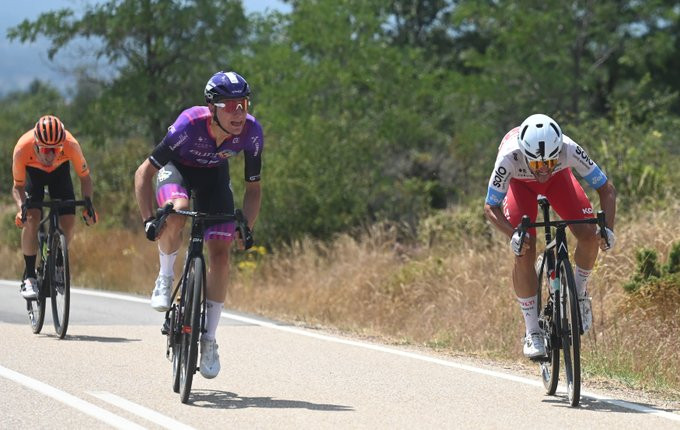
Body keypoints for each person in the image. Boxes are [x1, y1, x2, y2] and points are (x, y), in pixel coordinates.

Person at [134, 71, 262, 379]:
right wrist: (149, 220)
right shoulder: (189, 124)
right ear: (212, 107)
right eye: (230, 105)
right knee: (178, 211)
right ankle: (165, 275)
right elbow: (143, 174)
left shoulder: (252, 132)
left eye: (243, 102)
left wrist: (246, 227)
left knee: (221, 252)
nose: (239, 112)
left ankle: (208, 339)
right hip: (177, 171)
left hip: (215, 180)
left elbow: (253, 189)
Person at [483, 113, 616, 358]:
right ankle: (532, 331)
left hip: (560, 181)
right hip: (519, 186)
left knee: (588, 233)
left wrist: (607, 228)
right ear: (524, 155)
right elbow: (490, 207)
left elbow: (606, 189)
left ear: (558, 151)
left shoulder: (568, 149)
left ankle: (579, 294)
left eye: (549, 162)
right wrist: (513, 234)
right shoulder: (508, 157)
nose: (543, 169)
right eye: (536, 164)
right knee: (525, 247)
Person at [12, 115, 97, 298]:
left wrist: (88, 205)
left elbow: (85, 178)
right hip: (34, 174)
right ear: (35, 144)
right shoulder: (22, 148)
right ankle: (30, 277)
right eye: (45, 149)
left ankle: (58, 263)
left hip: (60, 173)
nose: (50, 155)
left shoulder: (70, 144)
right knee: (31, 219)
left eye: (56, 149)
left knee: (69, 221)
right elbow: (17, 186)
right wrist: (21, 208)